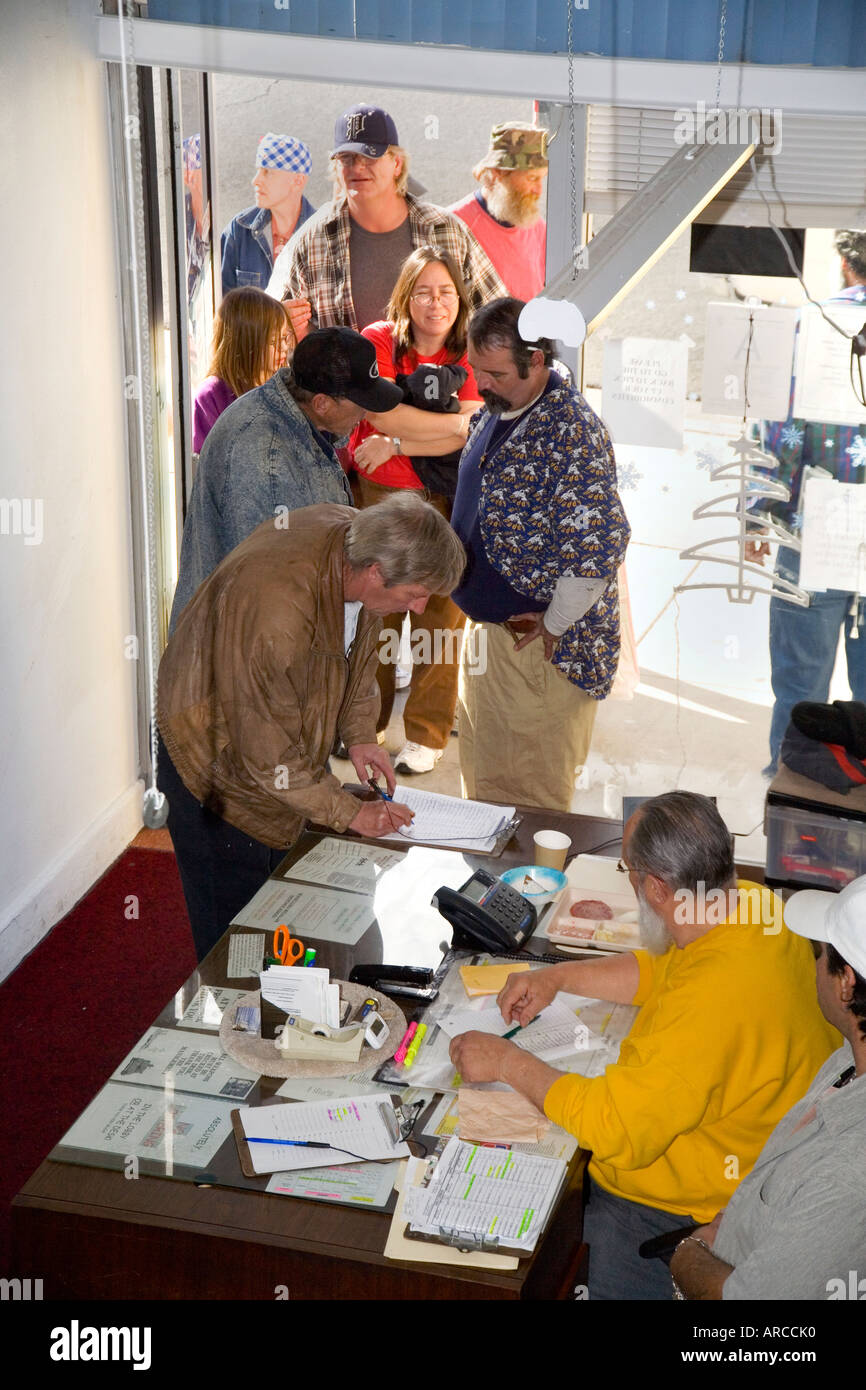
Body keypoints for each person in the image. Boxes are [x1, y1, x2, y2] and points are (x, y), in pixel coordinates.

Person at [449, 792, 839, 1300]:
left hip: (686, 1206)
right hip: (763, 1155)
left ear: (654, 887)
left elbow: (615, 1126)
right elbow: (661, 970)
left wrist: (505, 1058)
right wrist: (558, 978)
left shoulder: (709, 1010)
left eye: (628, 872)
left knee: (522, 1250)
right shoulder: (751, 904)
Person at [158, 493, 466, 961]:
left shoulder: (357, 544)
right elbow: (267, 753)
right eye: (415, 595)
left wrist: (361, 733)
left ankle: (289, 1012)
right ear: (376, 573)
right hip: (215, 767)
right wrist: (349, 813)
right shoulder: (276, 609)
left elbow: (357, 655)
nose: (421, 609)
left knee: (287, 923)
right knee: (236, 944)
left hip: (271, 745)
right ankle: (227, 1019)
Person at [450, 297, 629, 811]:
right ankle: (487, 893)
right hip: (493, 645)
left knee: (528, 805)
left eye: (495, 373)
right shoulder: (500, 408)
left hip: (537, 651)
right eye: (474, 370)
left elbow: (597, 548)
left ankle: (522, 895)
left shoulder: (571, 429)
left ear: (535, 361)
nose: (480, 385)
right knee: (484, 791)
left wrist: (553, 625)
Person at [670, 873, 866, 1300]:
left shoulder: (850, 1174)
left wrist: (689, 1252)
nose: (814, 965)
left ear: (846, 983)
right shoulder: (848, 1058)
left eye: (821, 954)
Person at [347, 246, 482, 774]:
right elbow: (381, 411)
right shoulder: (377, 341)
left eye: (446, 291)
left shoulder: (470, 351)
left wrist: (398, 440)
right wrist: (442, 426)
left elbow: (470, 431)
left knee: (439, 619)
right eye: (423, 290)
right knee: (376, 615)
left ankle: (426, 734)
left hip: (445, 501)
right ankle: (368, 724)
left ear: (459, 298)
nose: (435, 302)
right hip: (379, 498)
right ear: (406, 296)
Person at [169, 327, 402, 634]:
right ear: (322, 403)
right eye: (359, 401)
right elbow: (270, 587)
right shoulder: (265, 456)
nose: (365, 412)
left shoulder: (292, 413)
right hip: (246, 652)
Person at [748, 228, 866, 776]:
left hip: (812, 530)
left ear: (845, 263)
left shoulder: (812, 322)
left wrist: (756, 511)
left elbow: (778, 422)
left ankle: (792, 811)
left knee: (799, 691)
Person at [267, 104, 506, 333]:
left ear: (397, 164)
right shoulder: (313, 239)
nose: (357, 168)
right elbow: (274, 325)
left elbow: (498, 318)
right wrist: (286, 327)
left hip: (439, 375)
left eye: (369, 156)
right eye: (346, 158)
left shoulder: (446, 230)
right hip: (344, 376)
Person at [449, 121, 548, 302]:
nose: (539, 191)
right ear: (498, 173)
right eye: (532, 178)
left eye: (542, 178)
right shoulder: (454, 225)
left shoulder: (538, 227)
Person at [192, 287, 294, 454]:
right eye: (273, 340)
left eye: (285, 338)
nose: (283, 347)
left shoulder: (287, 386)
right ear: (245, 342)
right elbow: (207, 464)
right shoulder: (210, 395)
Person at [220, 133, 315, 298]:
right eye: (258, 171)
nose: (255, 181)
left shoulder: (321, 232)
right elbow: (221, 307)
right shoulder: (239, 229)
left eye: (267, 172)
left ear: (298, 181)